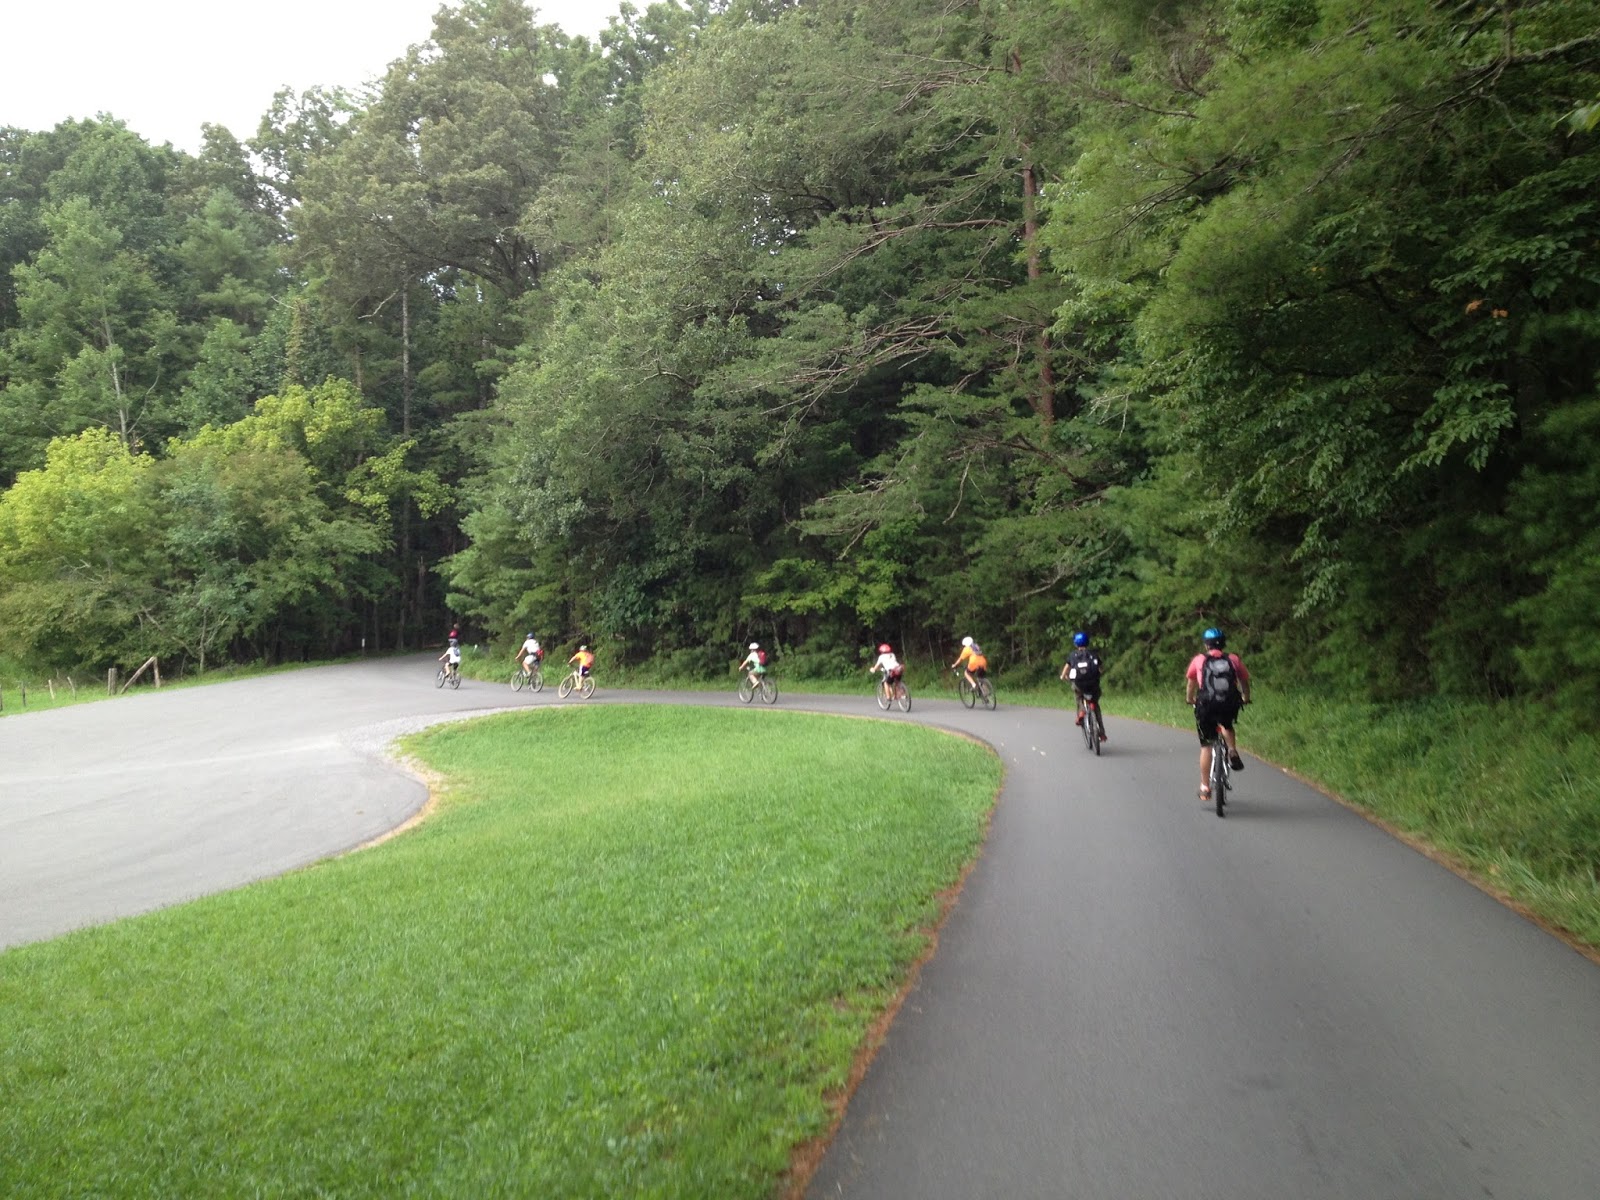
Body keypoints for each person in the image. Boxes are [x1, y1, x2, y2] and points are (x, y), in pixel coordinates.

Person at [1185, 627, 1251, 802]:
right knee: (1227, 725)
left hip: (1206, 705)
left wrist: (1190, 699)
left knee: (1206, 746)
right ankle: (1232, 750)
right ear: (1223, 643)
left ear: (1206, 644)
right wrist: (1246, 697)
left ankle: (1205, 788)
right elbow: (1244, 680)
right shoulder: (1233, 659)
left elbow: (1191, 684)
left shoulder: (1199, 660)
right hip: (1228, 704)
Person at [1060, 632, 1107, 741]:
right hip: (1093, 685)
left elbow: (1066, 668)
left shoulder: (1073, 655)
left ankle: (1081, 711)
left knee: (1078, 695)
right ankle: (1102, 733)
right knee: (1095, 704)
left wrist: (1063, 676)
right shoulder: (1093, 654)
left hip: (1080, 684)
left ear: (1076, 644)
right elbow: (1100, 669)